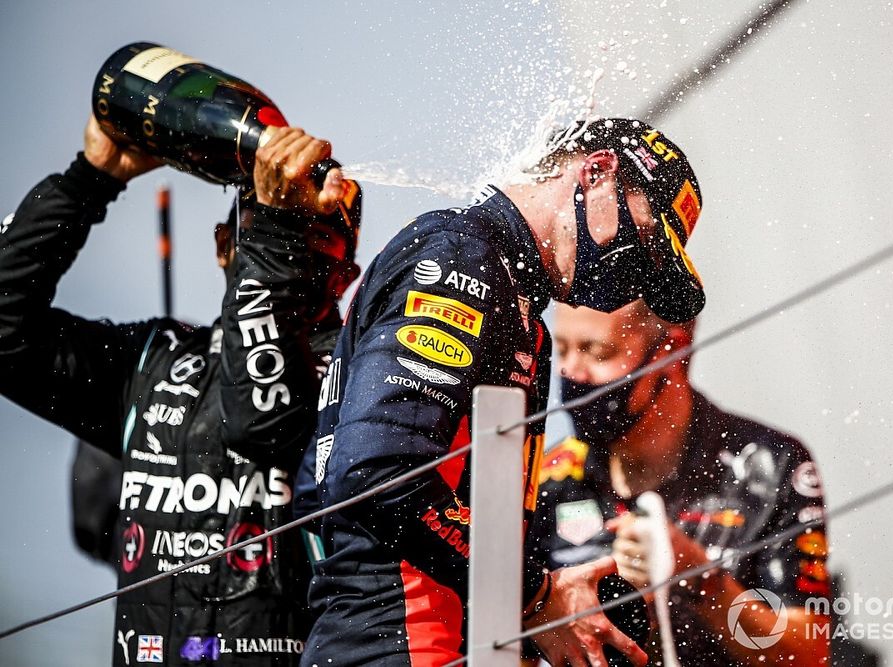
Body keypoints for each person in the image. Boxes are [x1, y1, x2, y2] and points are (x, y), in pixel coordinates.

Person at [294, 117, 706, 666]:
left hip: (421, 638)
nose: (633, 276)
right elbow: (376, 474)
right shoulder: (462, 259)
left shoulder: (508, 288)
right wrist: (535, 596)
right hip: (401, 640)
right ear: (597, 173)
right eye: (643, 242)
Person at [0, 115, 362, 666]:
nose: (289, 252)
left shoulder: (358, 374)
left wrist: (268, 228)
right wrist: (90, 179)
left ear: (345, 276)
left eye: (311, 238)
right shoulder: (151, 359)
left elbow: (261, 417)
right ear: (223, 247)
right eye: (265, 231)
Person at [526, 301, 832, 666]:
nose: (570, 370)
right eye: (560, 349)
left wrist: (698, 577)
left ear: (672, 350)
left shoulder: (771, 464)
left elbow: (810, 654)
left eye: (598, 352)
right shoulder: (546, 478)